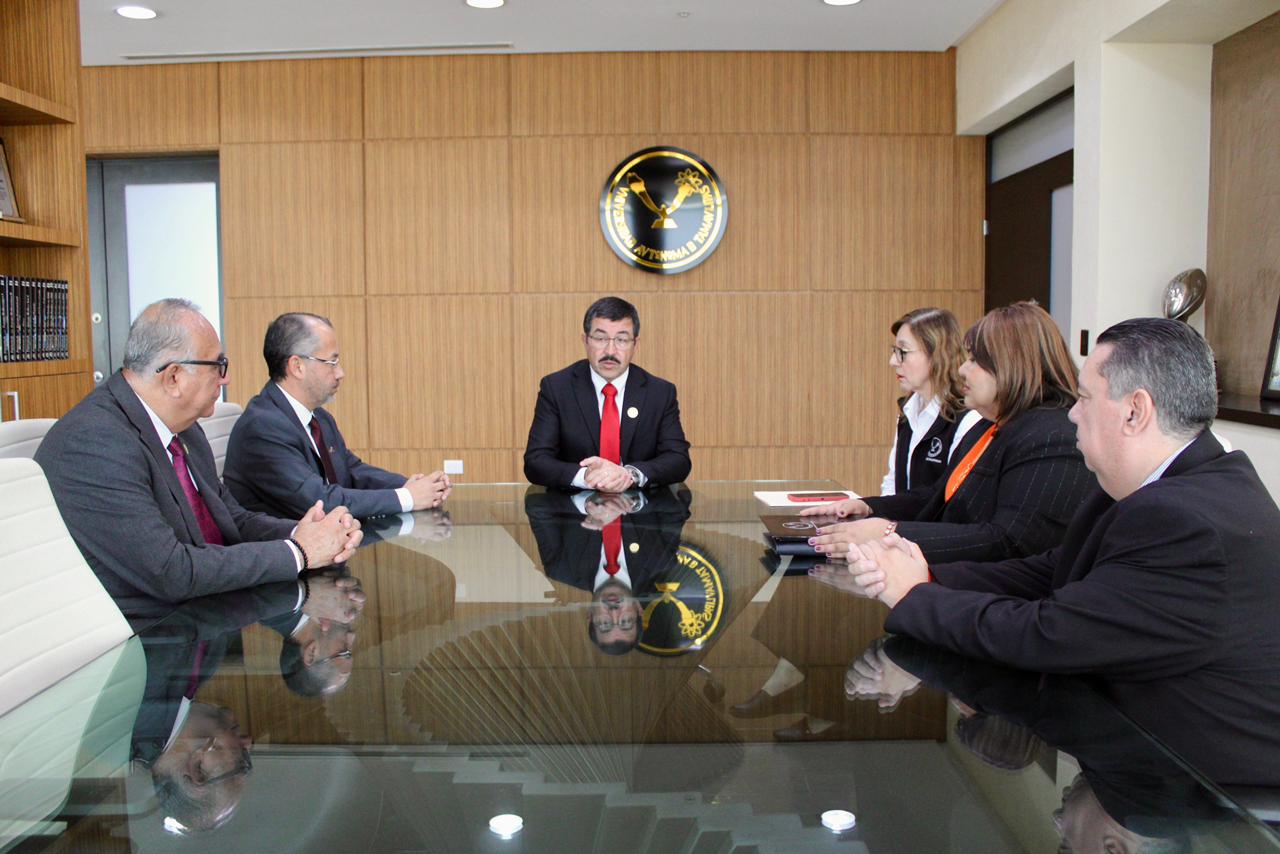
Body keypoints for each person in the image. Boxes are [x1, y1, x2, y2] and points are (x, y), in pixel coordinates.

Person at [847, 318, 1280, 786]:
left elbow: (1050, 634)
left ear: (1135, 412)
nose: (1072, 413)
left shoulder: (1185, 522)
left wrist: (915, 595)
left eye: (1085, 398)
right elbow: (1051, 571)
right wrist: (925, 575)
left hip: (1204, 790)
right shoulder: (1154, 489)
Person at [35, 299, 362, 603]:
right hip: (151, 627)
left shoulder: (184, 428)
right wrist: (299, 552)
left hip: (211, 603)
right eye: (218, 365)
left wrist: (303, 533)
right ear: (174, 377)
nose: (225, 378)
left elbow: (232, 519)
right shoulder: (94, 443)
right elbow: (170, 571)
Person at [807, 301, 1093, 563]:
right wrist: (868, 508)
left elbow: (1009, 542)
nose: (963, 369)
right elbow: (936, 497)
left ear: (1012, 365)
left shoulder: (1051, 438)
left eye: (975, 360)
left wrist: (890, 532)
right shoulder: (988, 427)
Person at [224, 312, 451, 519]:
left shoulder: (319, 418)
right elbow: (319, 501)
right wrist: (408, 497)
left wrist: (412, 486)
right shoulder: (262, 427)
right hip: (283, 546)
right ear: (297, 366)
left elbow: (352, 471)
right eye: (331, 362)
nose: (340, 373)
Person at [523, 296, 691, 491]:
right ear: (586, 341)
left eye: (622, 340)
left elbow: (678, 459)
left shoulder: (659, 393)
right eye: (600, 338)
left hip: (643, 506)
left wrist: (630, 474)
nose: (610, 351)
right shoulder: (557, 388)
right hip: (572, 506)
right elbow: (536, 461)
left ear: (635, 344)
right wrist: (586, 476)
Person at [524, 484, 691, 656]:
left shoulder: (561, 568)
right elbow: (680, 499)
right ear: (638, 609)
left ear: (590, 615)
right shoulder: (661, 560)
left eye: (604, 624)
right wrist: (631, 503)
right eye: (626, 621)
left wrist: (587, 503)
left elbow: (535, 502)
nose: (614, 612)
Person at [877, 307, 978, 497]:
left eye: (902, 351)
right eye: (894, 350)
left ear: (937, 355)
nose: (893, 361)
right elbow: (893, 482)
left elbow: (950, 499)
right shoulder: (908, 411)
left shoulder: (967, 419)